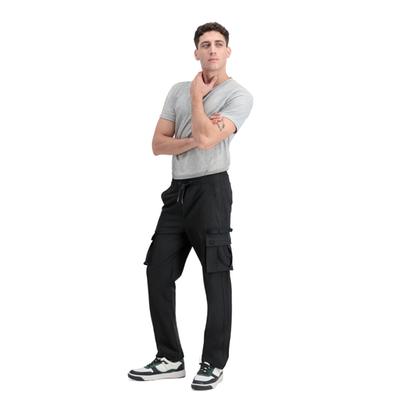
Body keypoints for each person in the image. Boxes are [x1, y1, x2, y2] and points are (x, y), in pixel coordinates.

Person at [128, 21, 253, 390]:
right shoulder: (177, 90)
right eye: (205, 44)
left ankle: (213, 362)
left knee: (215, 275)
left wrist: (198, 102)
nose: (212, 50)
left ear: (228, 51)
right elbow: (158, 144)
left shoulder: (239, 96)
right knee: (157, 270)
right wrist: (196, 136)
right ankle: (169, 358)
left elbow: (208, 138)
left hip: (212, 191)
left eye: (218, 44)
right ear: (196, 52)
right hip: (177, 193)